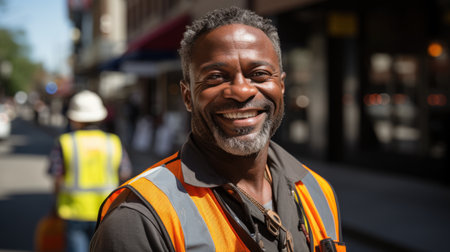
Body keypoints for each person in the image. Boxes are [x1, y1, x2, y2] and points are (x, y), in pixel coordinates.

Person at [91, 6, 346, 252]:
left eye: (258, 74)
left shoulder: (317, 191)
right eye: (215, 76)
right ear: (188, 95)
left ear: (281, 86)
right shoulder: (139, 219)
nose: (241, 91)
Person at [47, 90, 132, 252]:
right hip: (106, 211)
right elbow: (125, 173)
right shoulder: (113, 142)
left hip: (73, 211)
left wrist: (55, 205)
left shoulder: (65, 142)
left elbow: (57, 177)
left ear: (74, 118)